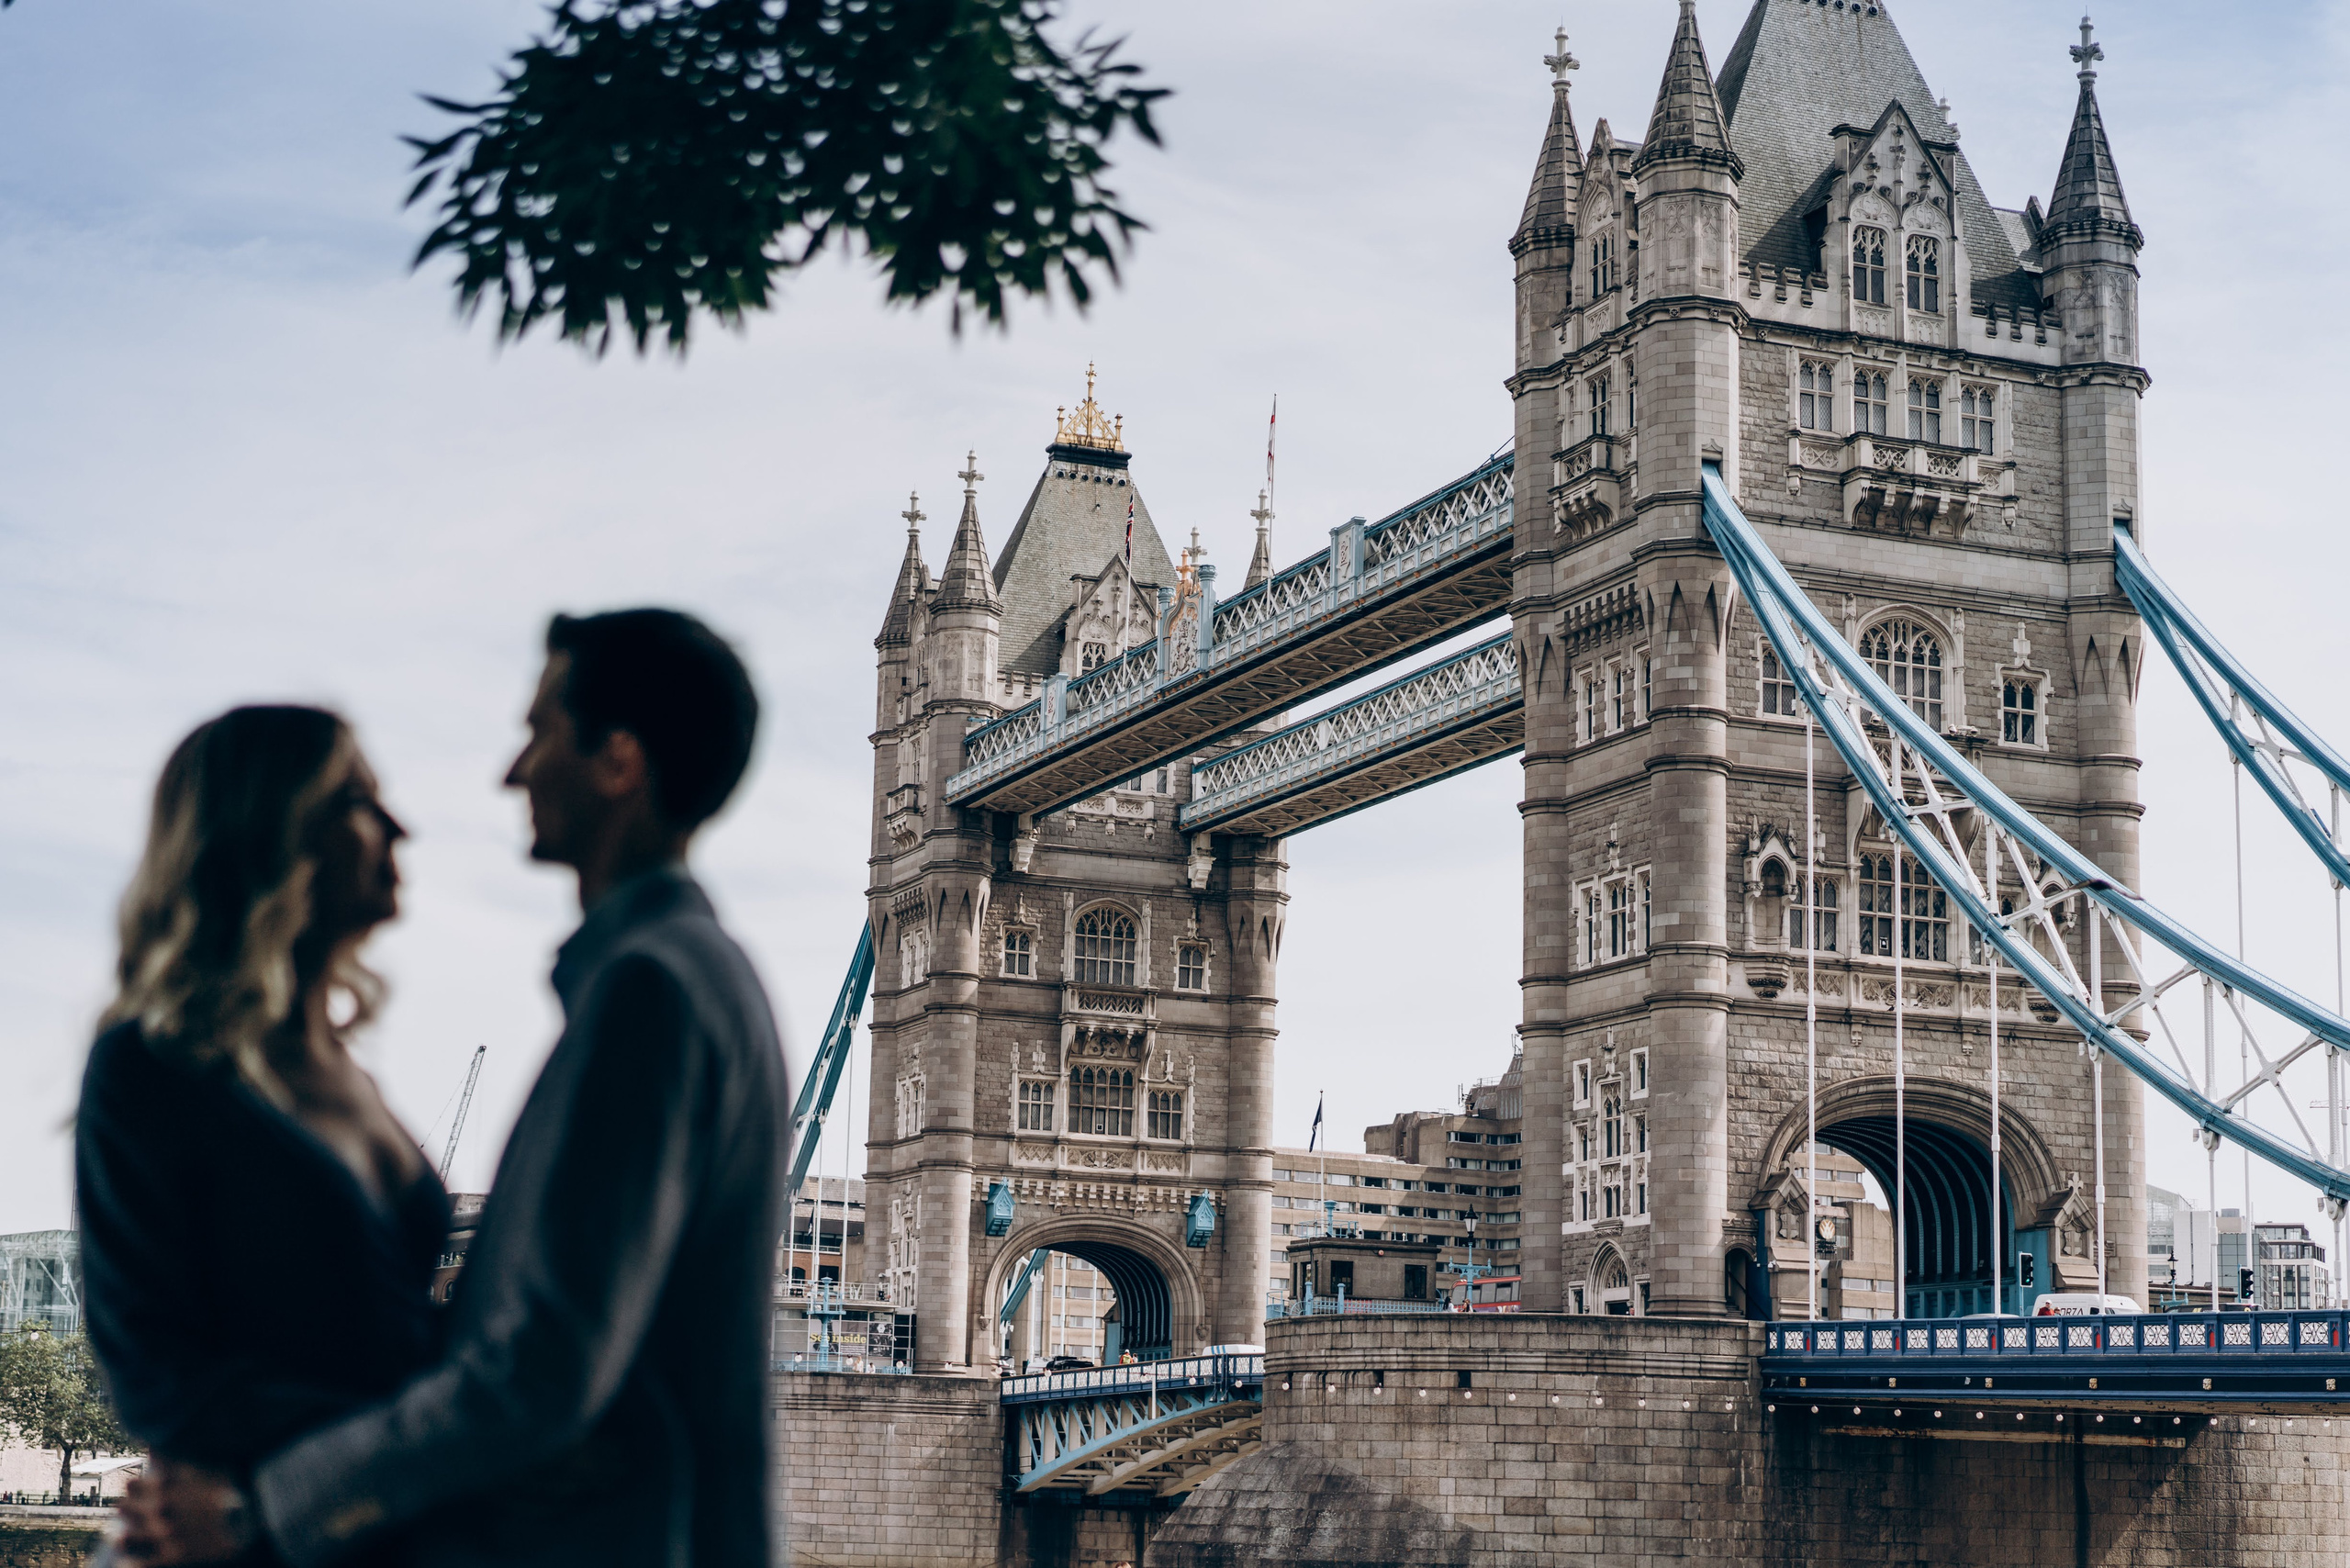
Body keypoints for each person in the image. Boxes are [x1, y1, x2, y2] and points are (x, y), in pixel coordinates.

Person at [118, 609, 789, 1568]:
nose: (512, 771)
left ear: (619, 762)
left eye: (540, 731)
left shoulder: (652, 991)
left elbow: (540, 1371)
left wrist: (261, 1507)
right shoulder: (695, 977)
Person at [76, 704, 442, 1568]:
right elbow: (155, 1375)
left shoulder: (350, 1073)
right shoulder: (151, 1067)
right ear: (275, 835)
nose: (398, 828)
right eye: (358, 801)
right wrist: (427, 1427)